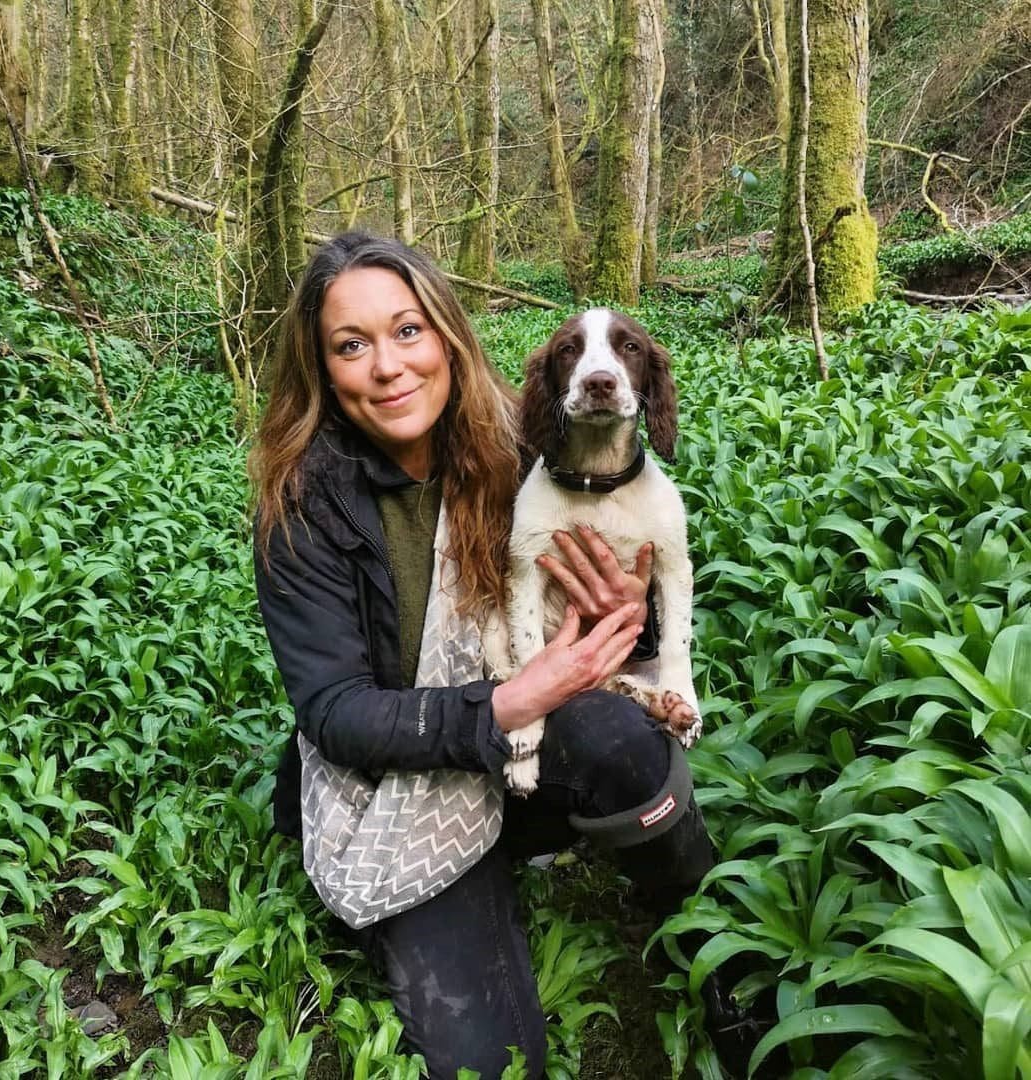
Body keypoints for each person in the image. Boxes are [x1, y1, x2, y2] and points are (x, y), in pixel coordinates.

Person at [251, 232, 767, 1079]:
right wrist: (504, 708)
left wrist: (625, 617)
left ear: (448, 335)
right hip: (401, 785)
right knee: (492, 1061)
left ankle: (719, 963)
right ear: (322, 368)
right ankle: (469, 876)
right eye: (352, 344)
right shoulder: (305, 508)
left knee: (626, 745)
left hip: (522, 733)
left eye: (408, 330)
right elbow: (335, 715)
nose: (388, 366)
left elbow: (599, 622)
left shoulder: (527, 446)